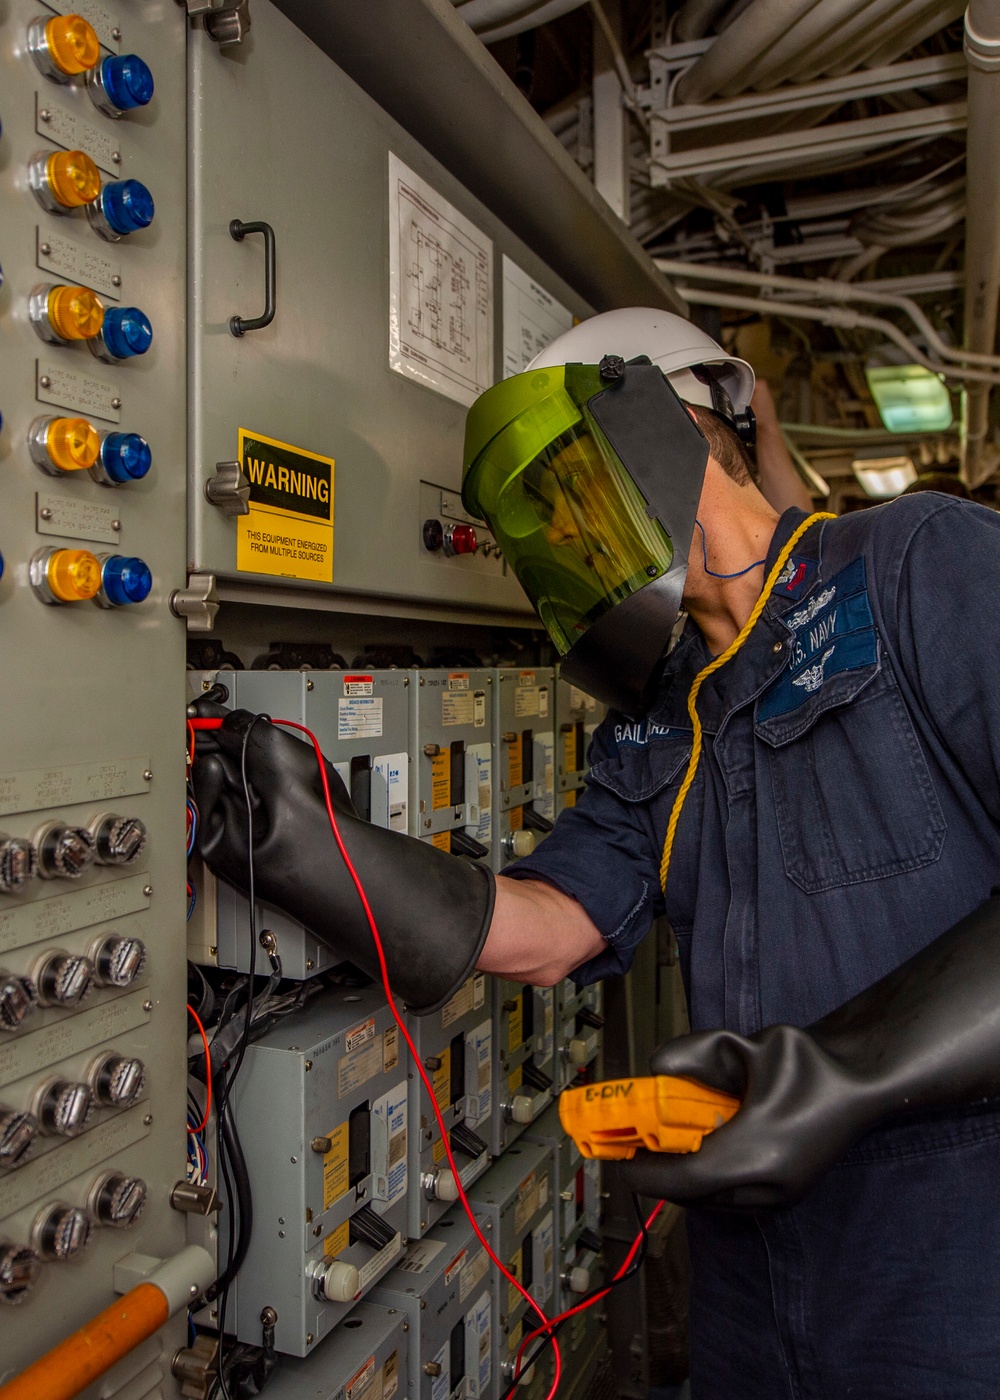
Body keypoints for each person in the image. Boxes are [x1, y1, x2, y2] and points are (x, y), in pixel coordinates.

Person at [194, 309, 1000, 1398]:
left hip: (954, 1257)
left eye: (571, 495)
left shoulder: (913, 561)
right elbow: (545, 925)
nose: (564, 543)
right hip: (747, 1261)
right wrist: (314, 846)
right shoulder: (659, 718)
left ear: (662, 433)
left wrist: (847, 1074)